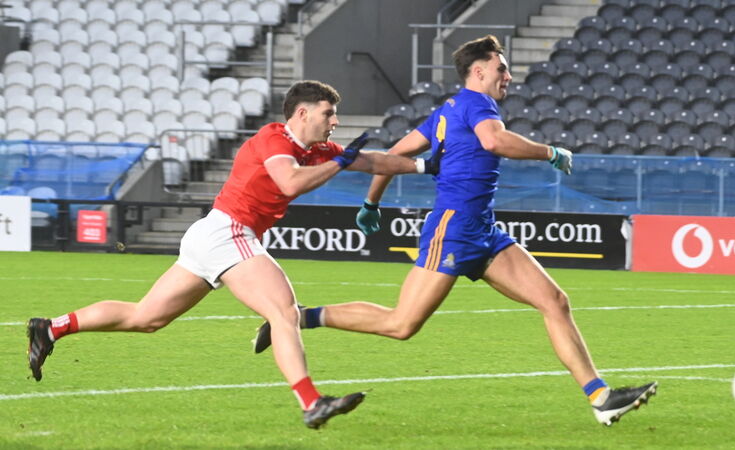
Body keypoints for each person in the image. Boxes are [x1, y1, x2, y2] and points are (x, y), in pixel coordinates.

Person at [253, 37, 657, 426]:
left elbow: (393, 154)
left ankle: (601, 397)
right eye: (503, 69)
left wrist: (371, 203)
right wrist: (550, 152)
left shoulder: (449, 109)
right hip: (454, 228)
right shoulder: (477, 104)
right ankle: (300, 318)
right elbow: (493, 141)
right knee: (401, 325)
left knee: (554, 300)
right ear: (478, 71)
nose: (509, 77)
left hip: (483, 229)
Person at [26, 80, 440, 429]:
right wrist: (341, 162)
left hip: (213, 234)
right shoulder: (274, 139)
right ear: (301, 114)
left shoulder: (316, 151)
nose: (335, 121)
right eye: (328, 113)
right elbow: (290, 183)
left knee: (146, 317)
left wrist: (425, 167)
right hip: (228, 232)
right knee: (284, 312)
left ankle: (51, 328)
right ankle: (312, 402)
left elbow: (372, 161)